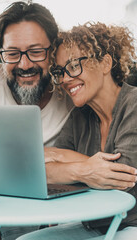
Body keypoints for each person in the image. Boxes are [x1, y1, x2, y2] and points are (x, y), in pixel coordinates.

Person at [16, 22, 137, 240]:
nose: (65, 79)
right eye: (60, 71)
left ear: (105, 63)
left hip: (131, 225)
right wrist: (85, 171)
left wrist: (59, 156)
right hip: (93, 225)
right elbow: (39, 173)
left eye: (73, 66)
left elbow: (122, 181)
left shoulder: (134, 104)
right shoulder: (80, 116)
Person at [0, 1, 74, 239]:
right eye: (12, 53)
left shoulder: (72, 92)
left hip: (58, 213)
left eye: (36, 51)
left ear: (52, 50)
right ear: (0, 50)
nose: (25, 64)